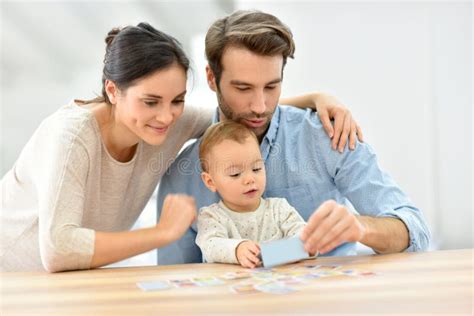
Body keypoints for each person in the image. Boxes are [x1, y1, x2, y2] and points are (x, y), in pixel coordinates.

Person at [0, 22, 358, 272]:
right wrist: (161, 234)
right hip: (13, 276)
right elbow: (59, 250)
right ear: (112, 90)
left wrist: (316, 97)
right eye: (151, 101)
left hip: (73, 279)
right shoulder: (72, 137)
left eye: (177, 100)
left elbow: (236, 114)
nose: (166, 116)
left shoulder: (170, 122)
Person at [156, 10, 431, 265]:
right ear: (212, 78)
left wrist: (361, 227)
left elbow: (414, 230)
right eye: (243, 88)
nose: (260, 106)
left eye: (272, 86)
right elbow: (174, 280)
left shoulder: (327, 137)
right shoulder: (183, 174)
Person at [196, 121, 311, 268]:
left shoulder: (279, 209)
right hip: (231, 287)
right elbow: (211, 246)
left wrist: (274, 254)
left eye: (256, 169)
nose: (250, 179)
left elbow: (305, 240)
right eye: (235, 174)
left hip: (278, 285)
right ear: (210, 182)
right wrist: (237, 249)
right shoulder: (211, 216)